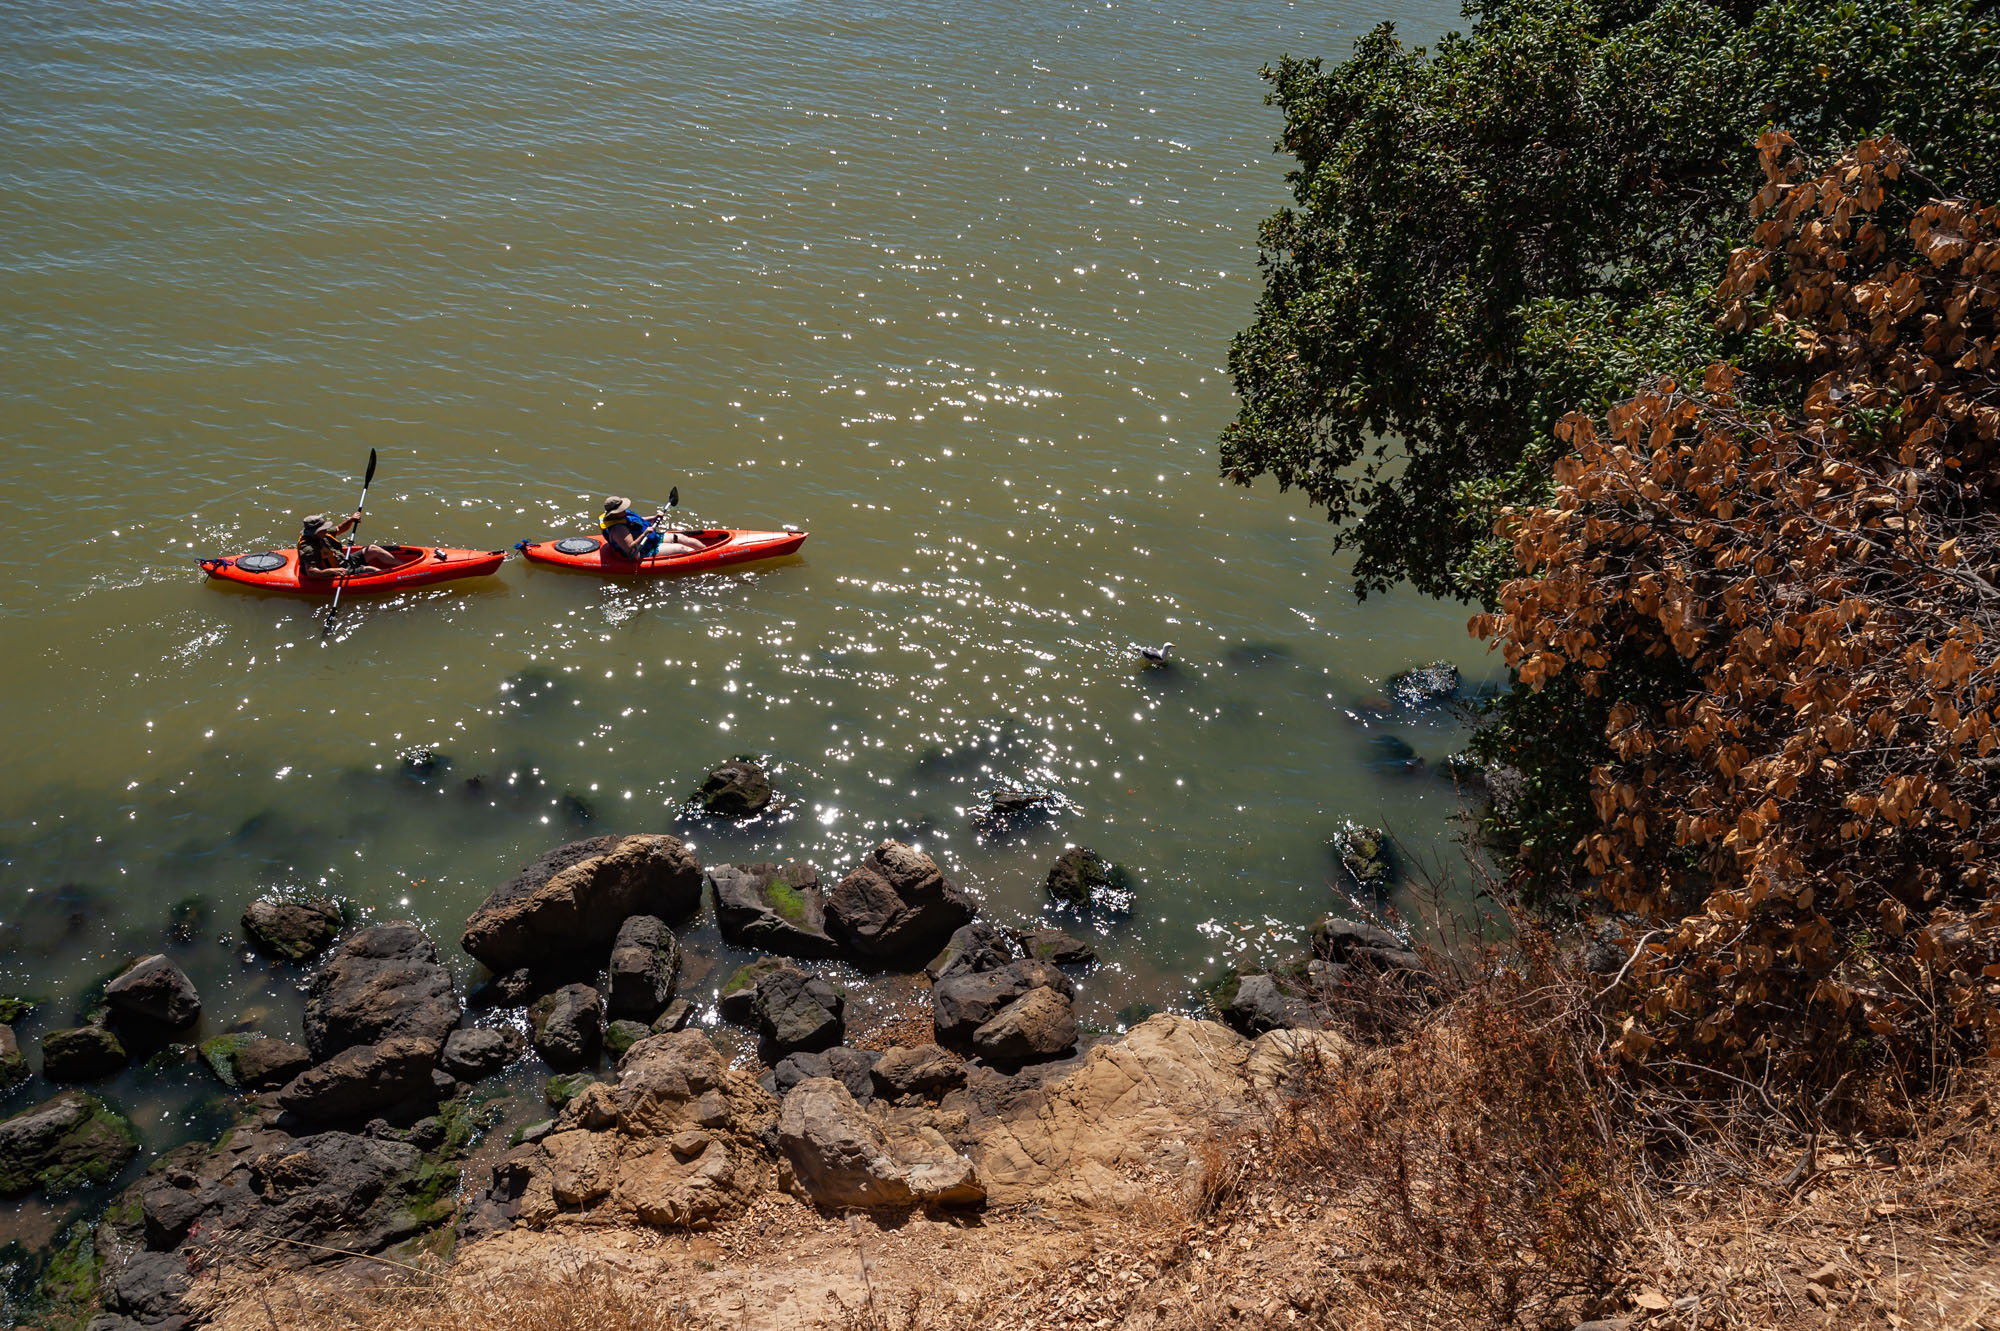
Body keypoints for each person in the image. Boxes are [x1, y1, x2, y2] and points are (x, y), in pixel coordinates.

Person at [297, 512, 399, 578]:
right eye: (322, 529)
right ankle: (392, 579)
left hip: (344, 560)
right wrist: (333, 570)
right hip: (339, 571)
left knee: (373, 549)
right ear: (315, 532)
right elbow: (311, 572)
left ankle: (404, 566)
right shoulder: (308, 549)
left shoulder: (323, 534)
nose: (325, 529)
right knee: (371, 570)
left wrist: (351, 519)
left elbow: (340, 529)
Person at [600, 496, 703, 560]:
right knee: (681, 548)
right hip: (644, 549)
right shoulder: (618, 530)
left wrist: (653, 518)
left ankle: (706, 550)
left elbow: (637, 521)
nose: (624, 509)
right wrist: (644, 534)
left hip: (651, 539)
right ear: (613, 514)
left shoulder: (622, 515)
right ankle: (706, 557)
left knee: (681, 538)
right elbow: (632, 550)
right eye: (621, 509)